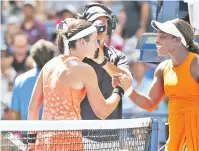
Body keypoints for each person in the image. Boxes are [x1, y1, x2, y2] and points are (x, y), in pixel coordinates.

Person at [113, 18, 199, 151]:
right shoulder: (162, 68)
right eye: (158, 36)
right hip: (174, 142)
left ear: (177, 41)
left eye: (162, 37)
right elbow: (150, 104)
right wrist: (128, 89)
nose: (157, 41)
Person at [27, 19, 130, 150]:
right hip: (68, 142)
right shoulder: (84, 69)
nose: (97, 45)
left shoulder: (49, 65)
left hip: (43, 142)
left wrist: (31, 141)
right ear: (82, 42)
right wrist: (119, 90)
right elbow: (102, 111)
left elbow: (33, 107)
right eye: (94, 40)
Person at [77, 3, 132, 120]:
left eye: (104, 22)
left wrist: (104, 62)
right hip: (82, 131)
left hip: (111, 131)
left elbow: (127, 82)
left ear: (109, 26)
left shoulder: (117, 56)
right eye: (95, 21)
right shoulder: (77, 56)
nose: (100, 26)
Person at [10, 39, 56, 120]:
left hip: (27, 130)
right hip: (55, 131)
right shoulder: (61, 78)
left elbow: (16, 113)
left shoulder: (20, 80)